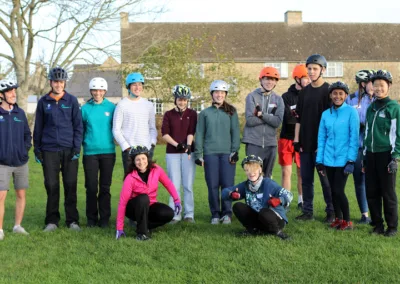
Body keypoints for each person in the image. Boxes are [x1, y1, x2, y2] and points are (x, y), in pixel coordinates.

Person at [33, 67, 83, 232]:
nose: (58, 84)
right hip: (49, 150)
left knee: (70, 184)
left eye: (61, 82)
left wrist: (77, 148)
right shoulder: (43, 102)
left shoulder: (72, 101)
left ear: (64, 83)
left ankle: (72, 221)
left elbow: (78, 126)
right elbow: (38, 128)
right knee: (51, 185)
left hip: (69, 150)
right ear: (50, 82)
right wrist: (37, 149)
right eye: (55, 81)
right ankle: (52, 221)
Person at [294, 54, 334, 222]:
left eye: (314, 69)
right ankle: (307, 211)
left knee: (326, 181)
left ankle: (331, 211)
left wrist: (324, 144)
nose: (311, 72)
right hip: (305, 144)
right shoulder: (303, 93)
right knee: (306, 180)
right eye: (309, 69)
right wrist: (296, 141)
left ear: (322, 70)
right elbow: (299, 119)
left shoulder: (328, 91)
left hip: (322, 146)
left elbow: (332, 121)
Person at [194, 80, 240, 225]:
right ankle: (215, 213)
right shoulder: (205, 113)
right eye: (216, 92)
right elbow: (200, 134)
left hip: (227, 153)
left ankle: (226, 213)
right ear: (212, 94)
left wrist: (235, 151)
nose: (219, 95)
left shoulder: (231, 111)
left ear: (225, 94)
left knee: (227, 185)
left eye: (222, 92)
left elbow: (235, 132)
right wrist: (198, 154)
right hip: (210, 153)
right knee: (213, 185)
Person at [316, 82, 359, 231]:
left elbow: (354, 137)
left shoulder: (351, 112)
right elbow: (321, 138)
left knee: (339, 190)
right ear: (330, 95)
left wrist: (351, 160)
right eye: (335, 93)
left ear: (346, 95)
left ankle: (347, 221)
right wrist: (319, 161)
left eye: (341, 93)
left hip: (343, 160)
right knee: (332, 191)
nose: (338, 96)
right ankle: (338, 219)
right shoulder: (325, 114)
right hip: (328, 159)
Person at [115, 146, 181, 241]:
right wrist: (119, 227)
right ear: (133, 161)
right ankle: (141, 234)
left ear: (147, 158)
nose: (141, 162)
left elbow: (168, 184)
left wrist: (176, 200)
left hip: (150, 205)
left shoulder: (156, 169)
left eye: (143, 158)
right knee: (143, 198)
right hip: (133, 208)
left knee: (169, 213)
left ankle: (144, 226)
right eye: (137, 160)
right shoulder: (130, 178)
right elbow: (122, 203)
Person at [363, 70, 400, 237]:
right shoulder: (371, 108)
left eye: (382, 85)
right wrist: (364, 156)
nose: (378, 88)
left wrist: (395, 157)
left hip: (386, 155)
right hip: (370, 155)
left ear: (389, 86)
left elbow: (398, 134)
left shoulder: (394, 108)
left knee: (388, 192)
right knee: (371, 192)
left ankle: (391, 227)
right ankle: (377, 225)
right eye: (375, 85)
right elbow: (366, 133)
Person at [222, 155, 293, 240]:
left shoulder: (269, 183)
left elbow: (289, 195)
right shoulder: (246, 185)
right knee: (238, 206)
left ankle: (278, 232)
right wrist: (231, 194)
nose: (251, 173)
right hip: (260, 218)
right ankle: (253, 229)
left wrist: (279, 200)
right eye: (248, 170)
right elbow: (224, 192)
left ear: (260, 170)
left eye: (254, 169)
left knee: (264, 212)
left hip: (276, 220)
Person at [81, 77, 116, 228]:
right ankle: (91, 218)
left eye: (100, 90)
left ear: (105, 91)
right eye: (94, 90)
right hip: (90, 153)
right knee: (91, 187)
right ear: (91, 91)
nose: (97, 93)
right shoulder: (85, 109)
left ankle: (104, 219)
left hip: (108, 152)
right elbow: (80, 129)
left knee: (105, 187)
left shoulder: (112, 108)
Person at [0, 80, 31, 240]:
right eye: (10, 91)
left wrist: (25, 149)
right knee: (1, 196)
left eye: (14, 91)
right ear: (1, 95)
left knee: (21, 193)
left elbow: (27, 134)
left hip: (21, 162)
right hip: (2, 163)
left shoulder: (20, 113)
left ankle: (17, 225)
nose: (13, 94)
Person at [161, 85, 197, 223]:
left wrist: (188, 145)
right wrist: (177, 145)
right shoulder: (168, 114)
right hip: (172, 153)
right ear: (175, 99)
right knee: (174, 184)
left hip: (188, 153)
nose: (182, 102)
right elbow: (164, 133)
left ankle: (189, 214)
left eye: (185, 100)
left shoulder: (192, 114)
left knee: (188, 184)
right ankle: (175, 214)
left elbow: (191, 131)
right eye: (180, 99)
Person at [242, 67, 284, 178]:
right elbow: (250, 120)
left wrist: (262, 115)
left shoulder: (278, 100)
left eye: (273, 79)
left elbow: (277, 122)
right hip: (254, 143)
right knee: (253, 176)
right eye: (267, 79)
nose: (269, 82)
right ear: (261, 80)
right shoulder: (252, 97)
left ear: (275, 82)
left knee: (267, 178)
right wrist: (269, 117)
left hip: (270, 144)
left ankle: (265, 196)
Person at [345, 70, 375, 224]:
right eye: (372, 83)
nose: (375, 86)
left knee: (374, 181)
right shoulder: (351, 99)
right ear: (363, 84)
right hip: (357, 147)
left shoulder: (377, 99)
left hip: (373, 147)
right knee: (360, 181)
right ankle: (365, 214)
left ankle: (377, 214)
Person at [112, 72, 157, 175]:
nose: (137, 87)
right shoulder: (122, 105)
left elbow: (152, 128)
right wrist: (126, 147)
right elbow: (116, 129)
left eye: (140, 84)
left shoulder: (148, 105)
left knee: (147, 184)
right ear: (129, 87)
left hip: (146, 151)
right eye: (134, 85)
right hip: (129, 152)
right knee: (130, 184)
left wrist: (152, 144)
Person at [278, 64, 310, 209]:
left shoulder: (309, 95)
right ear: (297, 78)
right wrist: (299, 118)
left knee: (301, 172)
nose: (308, 81)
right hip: (286, 138)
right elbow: (288, 119)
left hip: (303, 139)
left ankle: (301, 200)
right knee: (286, 172)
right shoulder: (286, 97)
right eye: (305, 78)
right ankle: (286, 200)